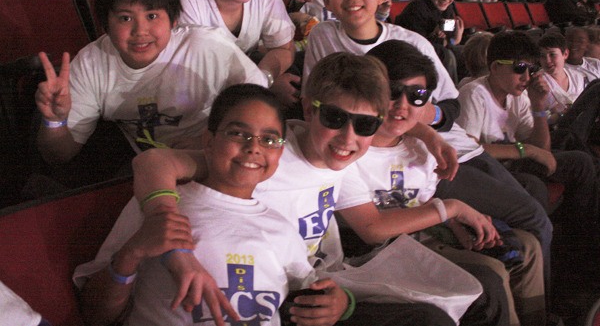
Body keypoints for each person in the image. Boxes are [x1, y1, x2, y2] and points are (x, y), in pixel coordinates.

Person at [127, 53, 460, 326]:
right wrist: (177, 249)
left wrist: (431, 136)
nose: (347, 137)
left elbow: (393, 120)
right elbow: (155, 162)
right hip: (281, 294)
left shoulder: (344, 158)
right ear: (307, 110)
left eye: (364, 125)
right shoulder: (267, 156)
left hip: (322, 280)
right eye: (333, 118)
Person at [302, 0, 554, 287]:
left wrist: (418, 123)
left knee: (533, 210)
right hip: (403, 163)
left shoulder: (411, 42)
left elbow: (450, 109)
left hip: (449, 152)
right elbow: (313, 106)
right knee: (525, 222)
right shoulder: (322, 37)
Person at [73, 84, 329, 325]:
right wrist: (131, 254)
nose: (254, 147)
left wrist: (338, 303)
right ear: (209, 140)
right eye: (238, 133)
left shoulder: (281, 228)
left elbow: (313, 295)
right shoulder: (163, 202)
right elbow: (95, 315)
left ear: (280, 153)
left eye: (269, 139)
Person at [348, 40, 545, 326]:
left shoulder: (421, 147)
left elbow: (421, 200)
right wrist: (451, 210)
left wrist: (454, 225)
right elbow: (372, 230)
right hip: (383, 252)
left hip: (425, 233)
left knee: (527, 246)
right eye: (391, 92)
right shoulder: (348, 146)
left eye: (416, 95)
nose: (402, 105)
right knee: (491, 273)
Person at [34, 0, 266, 177]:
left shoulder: (206, 46)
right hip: (150, 172)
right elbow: (59, 155)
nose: (140, 31)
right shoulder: (90, 65)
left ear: (173, 20)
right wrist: (55, 120)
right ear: (105, 23)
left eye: (152, 16)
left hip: (220, 159)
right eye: (125, 18)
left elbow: (261, 105)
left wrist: (210, 140)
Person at [456, 31, 600, 248]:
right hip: (491, 171)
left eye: (531, 70)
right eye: (519, 69)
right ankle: (546, 245)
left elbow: (543, 149)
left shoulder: (519, 96)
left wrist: (538, 106)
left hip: (516, 163)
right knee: (535, 185)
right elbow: (469, 151)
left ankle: (577, 238)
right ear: (495, 67)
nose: (526, 78)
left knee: (581, 161)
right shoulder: (474, 94)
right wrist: (525, 150)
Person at [395, 0, 464, 83]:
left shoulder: (448, 9)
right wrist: (447, 41)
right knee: (448, 55)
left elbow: (450, 39)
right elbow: (418, 44)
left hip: (435, 48)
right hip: (410, 55)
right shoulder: (417, 9)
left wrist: (454, 40)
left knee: (465, 51)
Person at [538, 32, 591, 117]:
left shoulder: (578, 77)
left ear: (565, 54)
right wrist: (553, 113)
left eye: (552, 55)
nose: (547, 60)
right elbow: (532, 117)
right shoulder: (537, 82)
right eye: (542, 56)